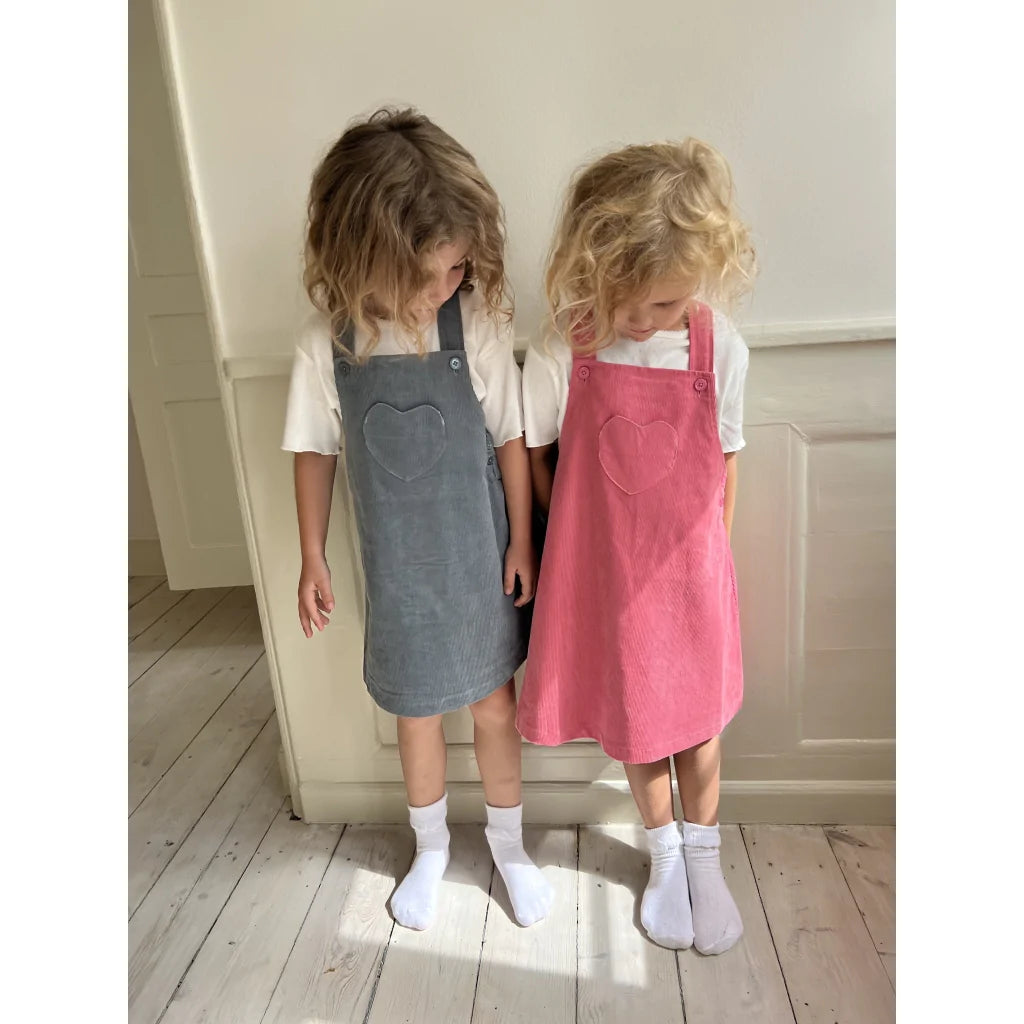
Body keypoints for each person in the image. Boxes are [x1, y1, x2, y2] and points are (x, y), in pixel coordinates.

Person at [282, 107, 552, 931]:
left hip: (479, 564)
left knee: (495, 708)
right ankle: (429, 846)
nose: (445, 288)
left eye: (457, 268)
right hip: (398, 578)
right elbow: (313, 450)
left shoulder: (475, 324)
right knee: (416, 714)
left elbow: (510, 436)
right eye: (426, 274)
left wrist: (523, 541)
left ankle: (509, 846)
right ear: (360, 256)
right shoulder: (328, 346)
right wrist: (312, 556)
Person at [517, 138, 755, 953]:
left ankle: (705, 858)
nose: (649, 320)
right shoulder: (565, 348)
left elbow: (726, 461)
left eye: (668, 302)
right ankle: (664, 855)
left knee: (699, 723)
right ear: (593, 268)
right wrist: (577, 549)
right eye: (634, 303)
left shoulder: (719, 347)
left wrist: (711, 564)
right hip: (612, 584)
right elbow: (541, 456)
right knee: (641, 720)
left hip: (691, 578)